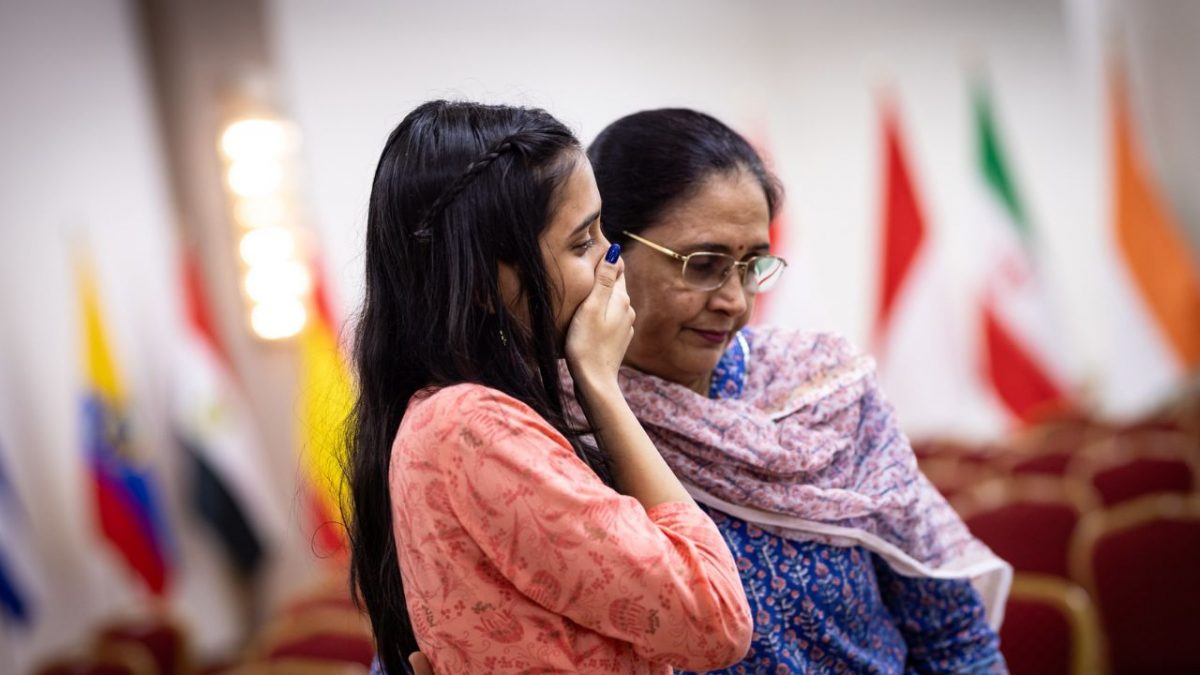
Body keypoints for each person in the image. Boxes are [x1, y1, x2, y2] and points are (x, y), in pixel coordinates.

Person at [584, 108, 1012, 673]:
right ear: (607, 251)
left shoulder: (822, 394)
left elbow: (954, 635)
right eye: (704, 264)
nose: (735, 300)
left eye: (753, 264)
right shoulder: (562, 427)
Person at [347, 101, 752, 675]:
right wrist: (601, 386)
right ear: (487, 281)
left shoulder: (445, 416)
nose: (612, 265)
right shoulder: (473, 427)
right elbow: (715, 619)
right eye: (583, 242)